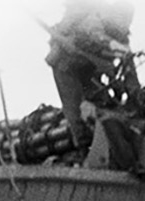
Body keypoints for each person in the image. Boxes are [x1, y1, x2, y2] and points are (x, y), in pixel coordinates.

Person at [44, 0, 135, 154]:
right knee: (74, 108)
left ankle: (110, 142)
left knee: (105, 102)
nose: (127, 22)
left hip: (89, 68)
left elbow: (129, 67)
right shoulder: (95, 18)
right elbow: (94, 34)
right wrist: (112, 45)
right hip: (66, 65)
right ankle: (83, 147)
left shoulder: (122, 35)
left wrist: (133, 93)